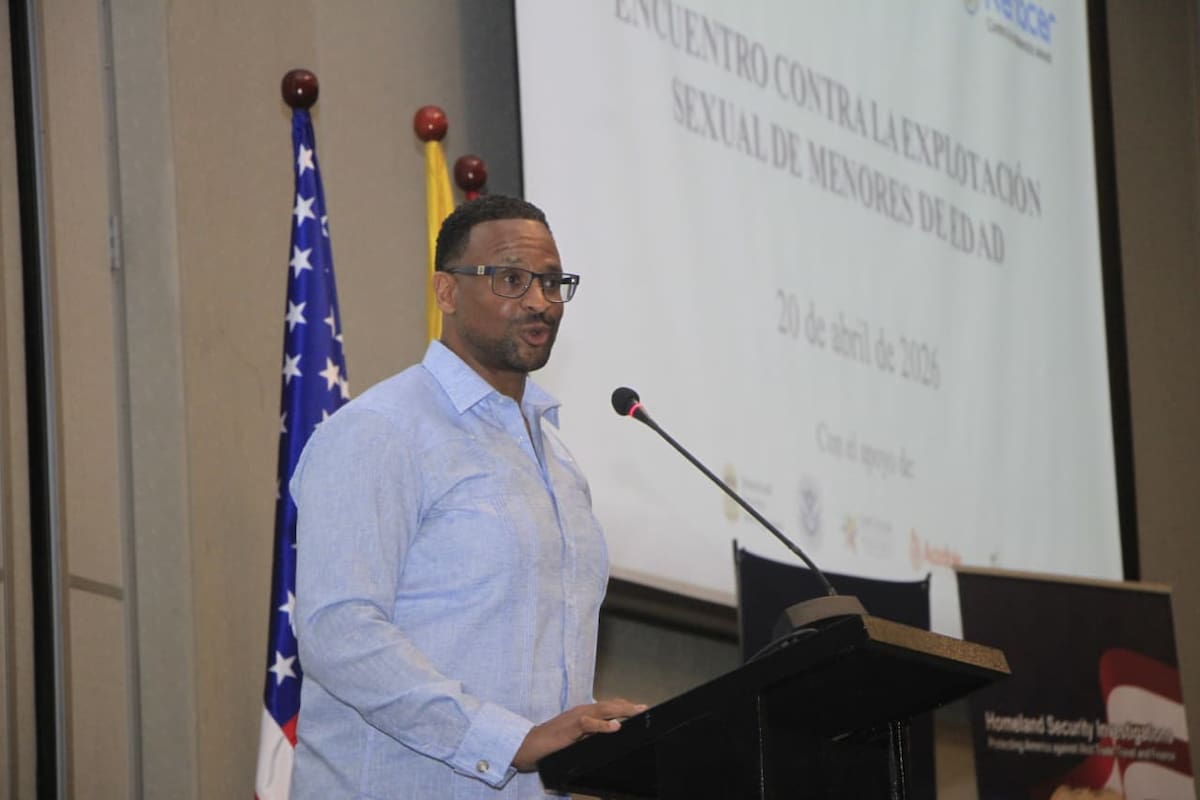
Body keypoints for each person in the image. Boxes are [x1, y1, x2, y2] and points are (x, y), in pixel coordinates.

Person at [290, 195, 642, 798]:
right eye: (511, 278)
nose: (539, 301)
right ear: (446, 292)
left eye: (553, 282)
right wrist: (504, 740)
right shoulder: (382, 429)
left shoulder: (559, 463)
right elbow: (338, 631)